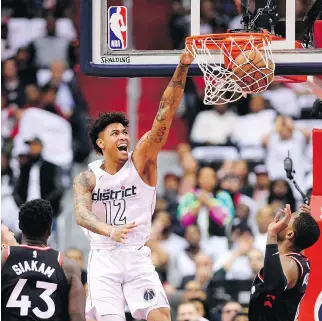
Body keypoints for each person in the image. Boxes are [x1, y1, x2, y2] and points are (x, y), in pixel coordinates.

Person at [73, 51, 195, 321]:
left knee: (160, 316)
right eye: (115, 133)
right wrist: (109, 230)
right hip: (104, 257)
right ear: (101, 143)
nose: (123, 136)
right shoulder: (88, 177)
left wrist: (182, 68)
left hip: (136, 253)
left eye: (125, 132)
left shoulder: (141, 161)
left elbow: (165, 113)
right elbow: (81, 214)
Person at [1, 199, 85, 321]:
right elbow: (77, 316)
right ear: (50, 229)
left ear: (20, 226)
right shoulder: (68, 266)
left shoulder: (4, 258)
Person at [248, 204, 320, 320]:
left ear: (290, 234)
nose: (282, 220)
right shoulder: (295, 260)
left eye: (287, 219)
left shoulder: (288, 263)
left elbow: (273, 286)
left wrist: (271, 235)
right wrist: (307, 224)